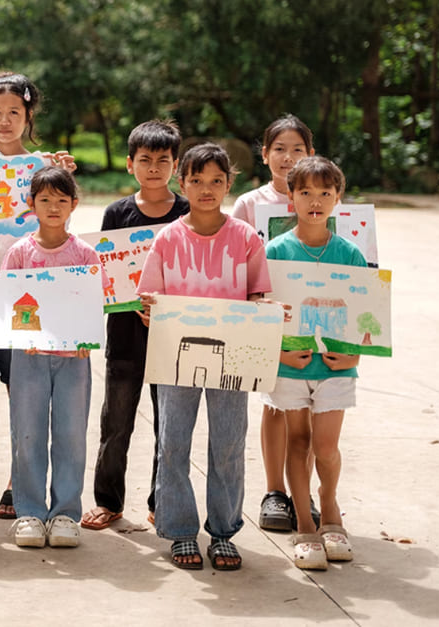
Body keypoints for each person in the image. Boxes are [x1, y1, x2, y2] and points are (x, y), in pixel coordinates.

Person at [137, 143, 276, 570]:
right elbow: (149, 299)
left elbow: (258, 294)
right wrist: (149, 310)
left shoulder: (245, 238)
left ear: (229, 184)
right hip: (175, 356)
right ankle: (180, 530)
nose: (206, 189)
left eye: (216, 180)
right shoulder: (167, 238)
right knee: (173, 442)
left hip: (233, 358)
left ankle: (223, 531)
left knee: (229, 444)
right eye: (197, 180)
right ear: (183, 183)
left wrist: (265, 312)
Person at [0, 72, 76, 520]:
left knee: (24, 392)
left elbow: (60, 223)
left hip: (30, 296)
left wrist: (61, 176)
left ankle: (17, 482)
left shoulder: (42, 168)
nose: (4, 121)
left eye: (14, 112)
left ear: (29, 115)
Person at [83, 120, 188, 531]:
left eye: (163, 160)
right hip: (125, 334)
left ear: (176, 164)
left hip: (173, 335)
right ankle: (108, 501)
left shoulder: (187, 212)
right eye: (145, 159)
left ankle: (162, 502)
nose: (154, 168)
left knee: (170, 425)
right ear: (130, 164)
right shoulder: (117, 213)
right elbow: (106, 273)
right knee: (116, 423)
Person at [264, 156, 365, 569]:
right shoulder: (275, 251)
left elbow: (365, 311)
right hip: (290, 365)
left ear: (338, 198)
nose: (315, 201)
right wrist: (278, 353)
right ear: (291, 197)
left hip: (335, 368)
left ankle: (330, 505)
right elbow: (263, 310)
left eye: (325, 192)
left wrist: (355, 353)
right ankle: (305, 523)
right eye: (305, 192)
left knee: (326, 447)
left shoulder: (350, 253)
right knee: (298, 441)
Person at [0, 167, 100, 548]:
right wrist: (17, 336)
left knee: (71, 434)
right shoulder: (20, 252)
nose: (53, 207)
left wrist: (86, 336)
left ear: (74, 204)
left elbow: (95, 300)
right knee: (27, 432)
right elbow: (7, 301)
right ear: (31, 204)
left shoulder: (85, 253)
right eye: (44, 199)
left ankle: (65, 514)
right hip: (28, 356)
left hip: (73, 357)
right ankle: (29, 511)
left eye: (61, 200)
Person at [233, 114, 319, 533]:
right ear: (265, 154)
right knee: (274, 402)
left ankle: (303, 494)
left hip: (315, 316)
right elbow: (236, 259)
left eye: (297, 149)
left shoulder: (322, 197)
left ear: (311, 153)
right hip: (268, 315)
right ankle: (274, 491)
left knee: (310, 406)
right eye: (280, 149)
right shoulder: (250, 204)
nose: (288, 158)